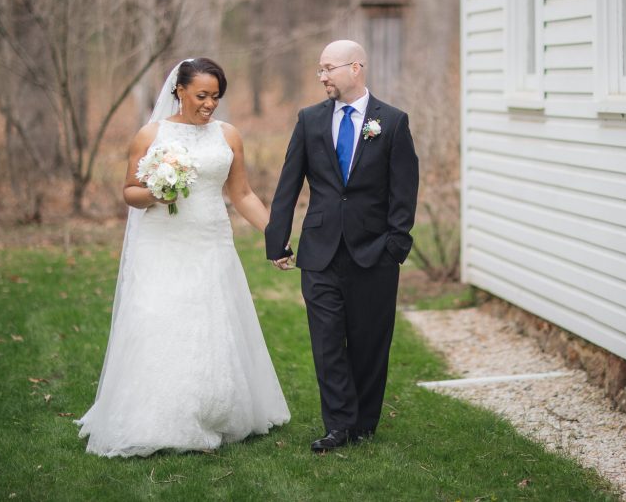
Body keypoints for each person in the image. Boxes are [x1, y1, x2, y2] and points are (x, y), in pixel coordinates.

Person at [76, 58, 290, 457]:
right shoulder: (150, 135)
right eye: (202, 95)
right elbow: (130, 192)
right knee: (160, 319)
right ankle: (154, 416)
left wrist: (276, 238)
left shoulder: (229, 136)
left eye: (216, 97)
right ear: (180, 91)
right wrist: (157, 192)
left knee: (212, 323)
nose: (210, 104)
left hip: (211, 240)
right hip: (162, 242)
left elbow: (241, 194)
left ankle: (213, 411)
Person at [265, 39, 418, 453]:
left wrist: (395, 246)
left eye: (328, 68)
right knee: (327, 340)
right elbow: (289, 181)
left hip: (374, 252)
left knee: (369, 341)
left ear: (356, 68)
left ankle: (364, 423)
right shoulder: (310, 119)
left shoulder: (393, 121)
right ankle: (338, 425)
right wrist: (277, 239)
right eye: (319, 69)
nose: (322, 77)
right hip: (321, 250)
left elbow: (404, 191)